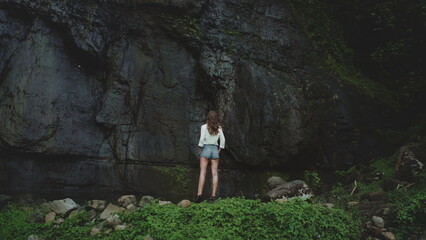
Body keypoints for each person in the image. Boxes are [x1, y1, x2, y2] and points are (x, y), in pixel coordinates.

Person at [195, 110, 225, 203]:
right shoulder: (219, 128)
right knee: (214, 173)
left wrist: (200, 151)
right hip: (215, 150)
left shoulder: (204, 127)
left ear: (208, 117)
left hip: (206, 149)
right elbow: (223, 140)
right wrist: (218, 150)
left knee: (203, 172)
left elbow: (201, 140)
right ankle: (213, 196)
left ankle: (199, 194)